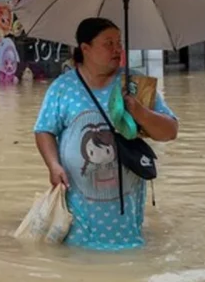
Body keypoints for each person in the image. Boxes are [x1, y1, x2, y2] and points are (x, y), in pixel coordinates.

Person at [34, 17, 179, 251]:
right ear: (85, 49)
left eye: (119, 42)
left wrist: (140, 112)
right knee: (80, 258)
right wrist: (53, 166)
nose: (117, 49)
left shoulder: (135, 84)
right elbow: (44, 130)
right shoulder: (63, 88)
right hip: (78, 209)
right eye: (108, 43)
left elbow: (170, 132)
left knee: (128, 254)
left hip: (127, 208)